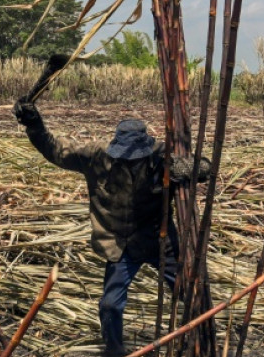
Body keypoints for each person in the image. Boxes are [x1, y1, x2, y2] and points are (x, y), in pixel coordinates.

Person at [13, 98, 210, 356]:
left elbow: (205, 166)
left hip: (158, 239)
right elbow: (55, 151)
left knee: (191, 294)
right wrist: (34, 124)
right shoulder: (97, 157)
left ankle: (200, 342)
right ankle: (115, 351)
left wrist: (184, 169)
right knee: (110, 306)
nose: (130, 161)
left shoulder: (161, 157)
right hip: (119, 245)